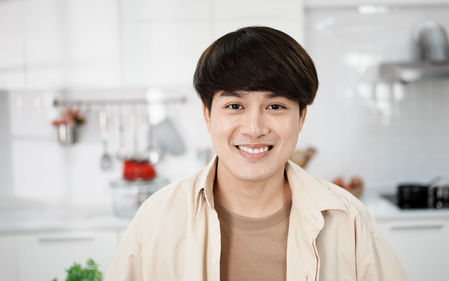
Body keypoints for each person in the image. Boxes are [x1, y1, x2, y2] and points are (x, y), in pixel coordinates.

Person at [105, 26, 409, 281]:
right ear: (208, 115)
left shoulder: (347, 219)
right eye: (234, 106)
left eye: (275, 107)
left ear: (302, 117)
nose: (253, 128)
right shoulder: (158, 217)